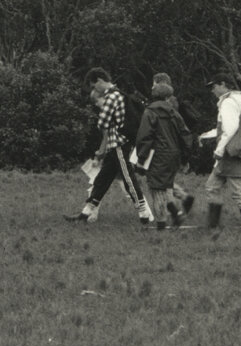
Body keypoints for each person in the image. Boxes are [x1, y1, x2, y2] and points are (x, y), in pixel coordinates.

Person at [65, 67, 152, 224]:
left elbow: (102, 123)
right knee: (101, 180)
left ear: (99, 80)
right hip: (114, 146)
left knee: (128, 179)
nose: (94, 89)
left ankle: (144, 213)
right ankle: (85, 213)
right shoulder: (118, 94)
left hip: (119, 145)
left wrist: (104, 121)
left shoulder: (112, 97)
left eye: (93, 86)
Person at [201, 73, 241, 229]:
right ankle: (213, 225)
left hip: (230, 152)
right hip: (240, 149)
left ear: (223, 85)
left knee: (238, 190)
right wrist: (206, 135)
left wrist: (219, 150)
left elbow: (231, 128)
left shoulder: (228, 102)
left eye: (214, 87)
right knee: (212, 186)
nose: (212, 90)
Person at [135, 83, 194, 230]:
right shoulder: (174, 113)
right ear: (168, 97)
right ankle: (177, 214)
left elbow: (144, 137)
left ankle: (161, 226)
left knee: (157, 190)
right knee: (166, 186)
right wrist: (185, 157)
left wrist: (141, 159)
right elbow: (186, 135)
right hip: (173, 155)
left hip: (157, 155)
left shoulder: (149, 112)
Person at [151, 73, 195, 217]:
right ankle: (182, 200)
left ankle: (172, 212)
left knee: (161, 182)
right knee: (165, 181)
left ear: (160, 84)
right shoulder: (172, 101)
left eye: (154, 83)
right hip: (172, 148)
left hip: (166, 148)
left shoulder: (168, 104)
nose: (152, 87)